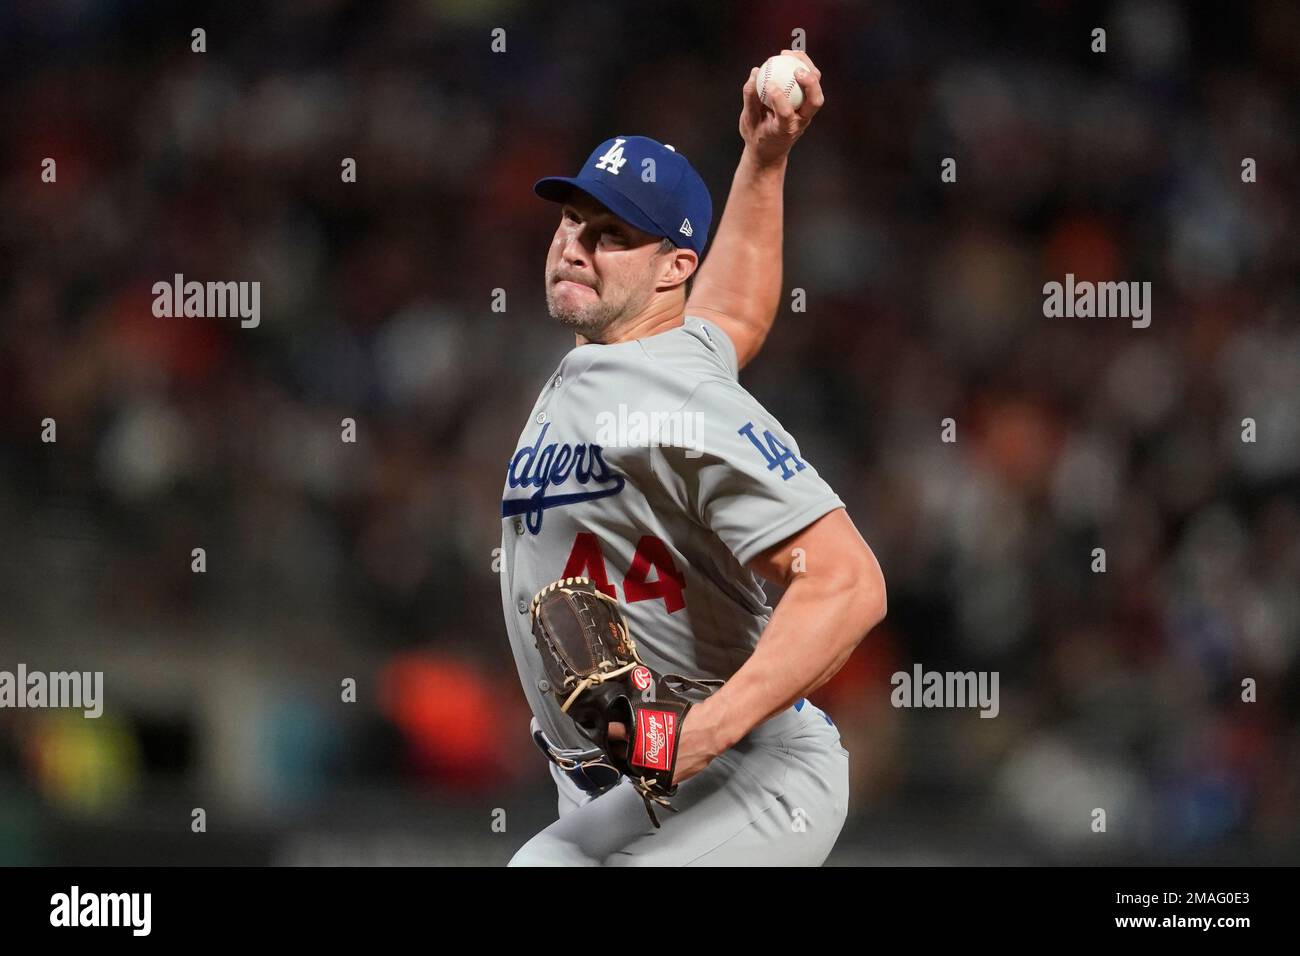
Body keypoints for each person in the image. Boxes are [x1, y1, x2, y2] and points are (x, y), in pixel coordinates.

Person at [499, 51, 886, 865]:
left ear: (674, 267)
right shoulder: (653, 356)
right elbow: (733, 308)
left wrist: (699, 736)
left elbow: (848, 584)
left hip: (748, 773)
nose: (575, 245)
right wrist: (764, 160)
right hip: (625, 781)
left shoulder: (678, 402)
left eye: (610, 235)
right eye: (571, 219)